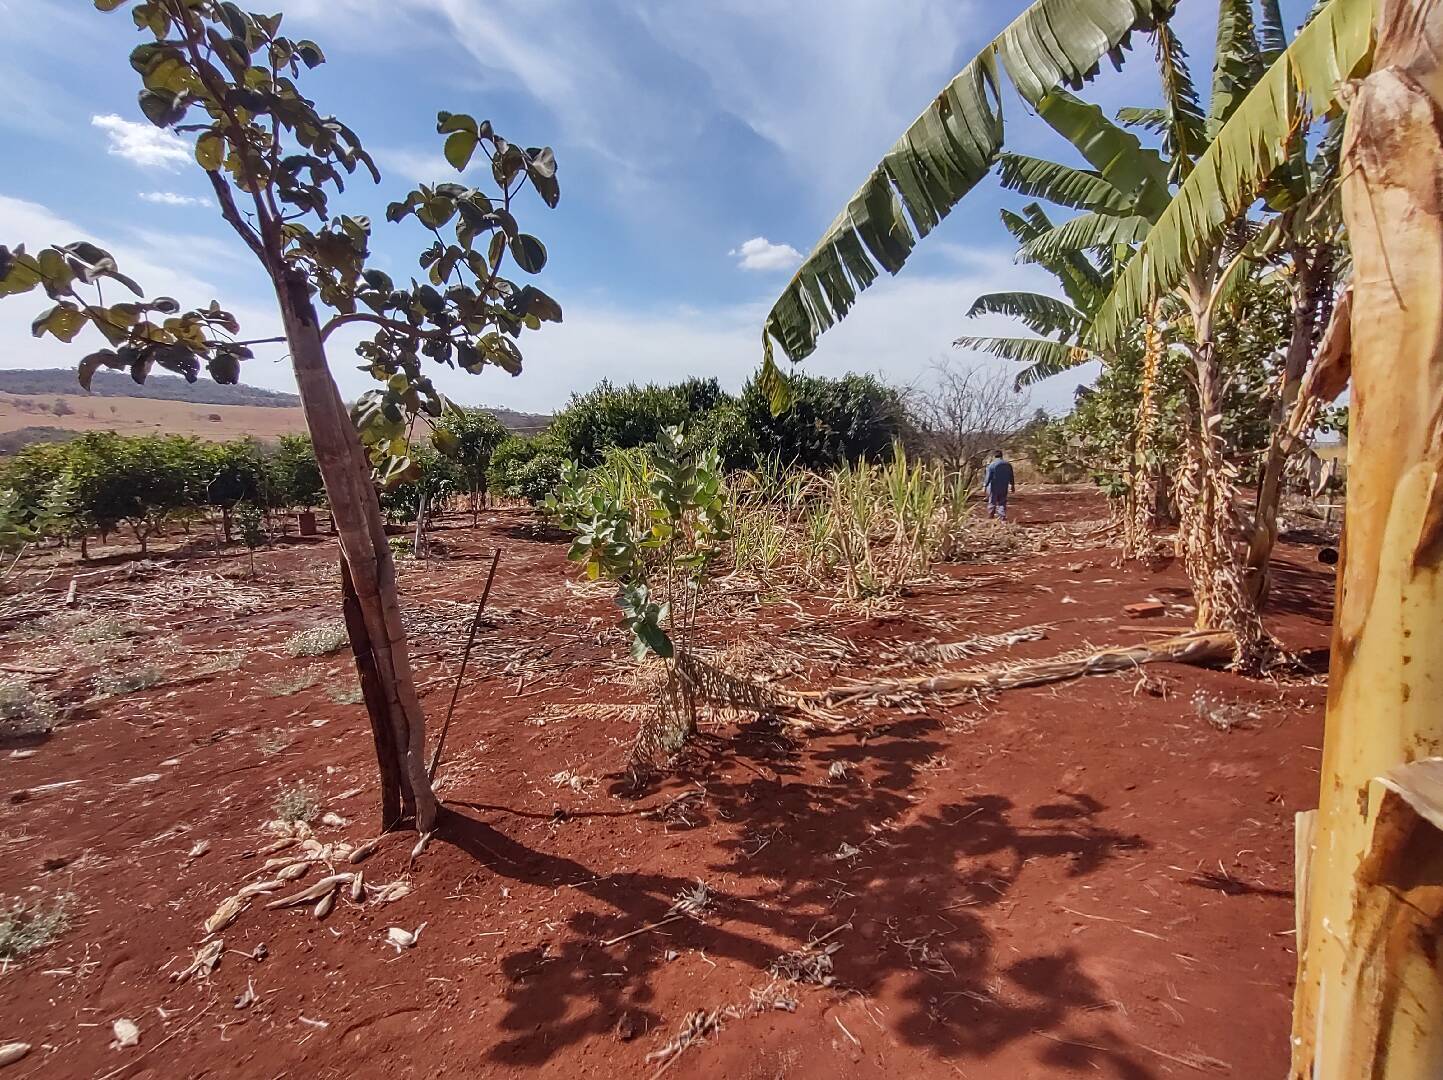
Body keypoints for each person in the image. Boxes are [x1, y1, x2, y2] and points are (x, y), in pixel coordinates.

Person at [983, 449, 1015, 521]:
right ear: (1002, 455)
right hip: (1004, 486)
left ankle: (990, 517)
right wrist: (1012, 485)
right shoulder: (1008, 465)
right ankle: (1002, 517)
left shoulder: (992, 465)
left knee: (992, 502)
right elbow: (1011, 476)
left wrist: (985, 486)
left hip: (993, 487)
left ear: (994, 456)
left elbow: (988, 477)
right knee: (1002, 502)